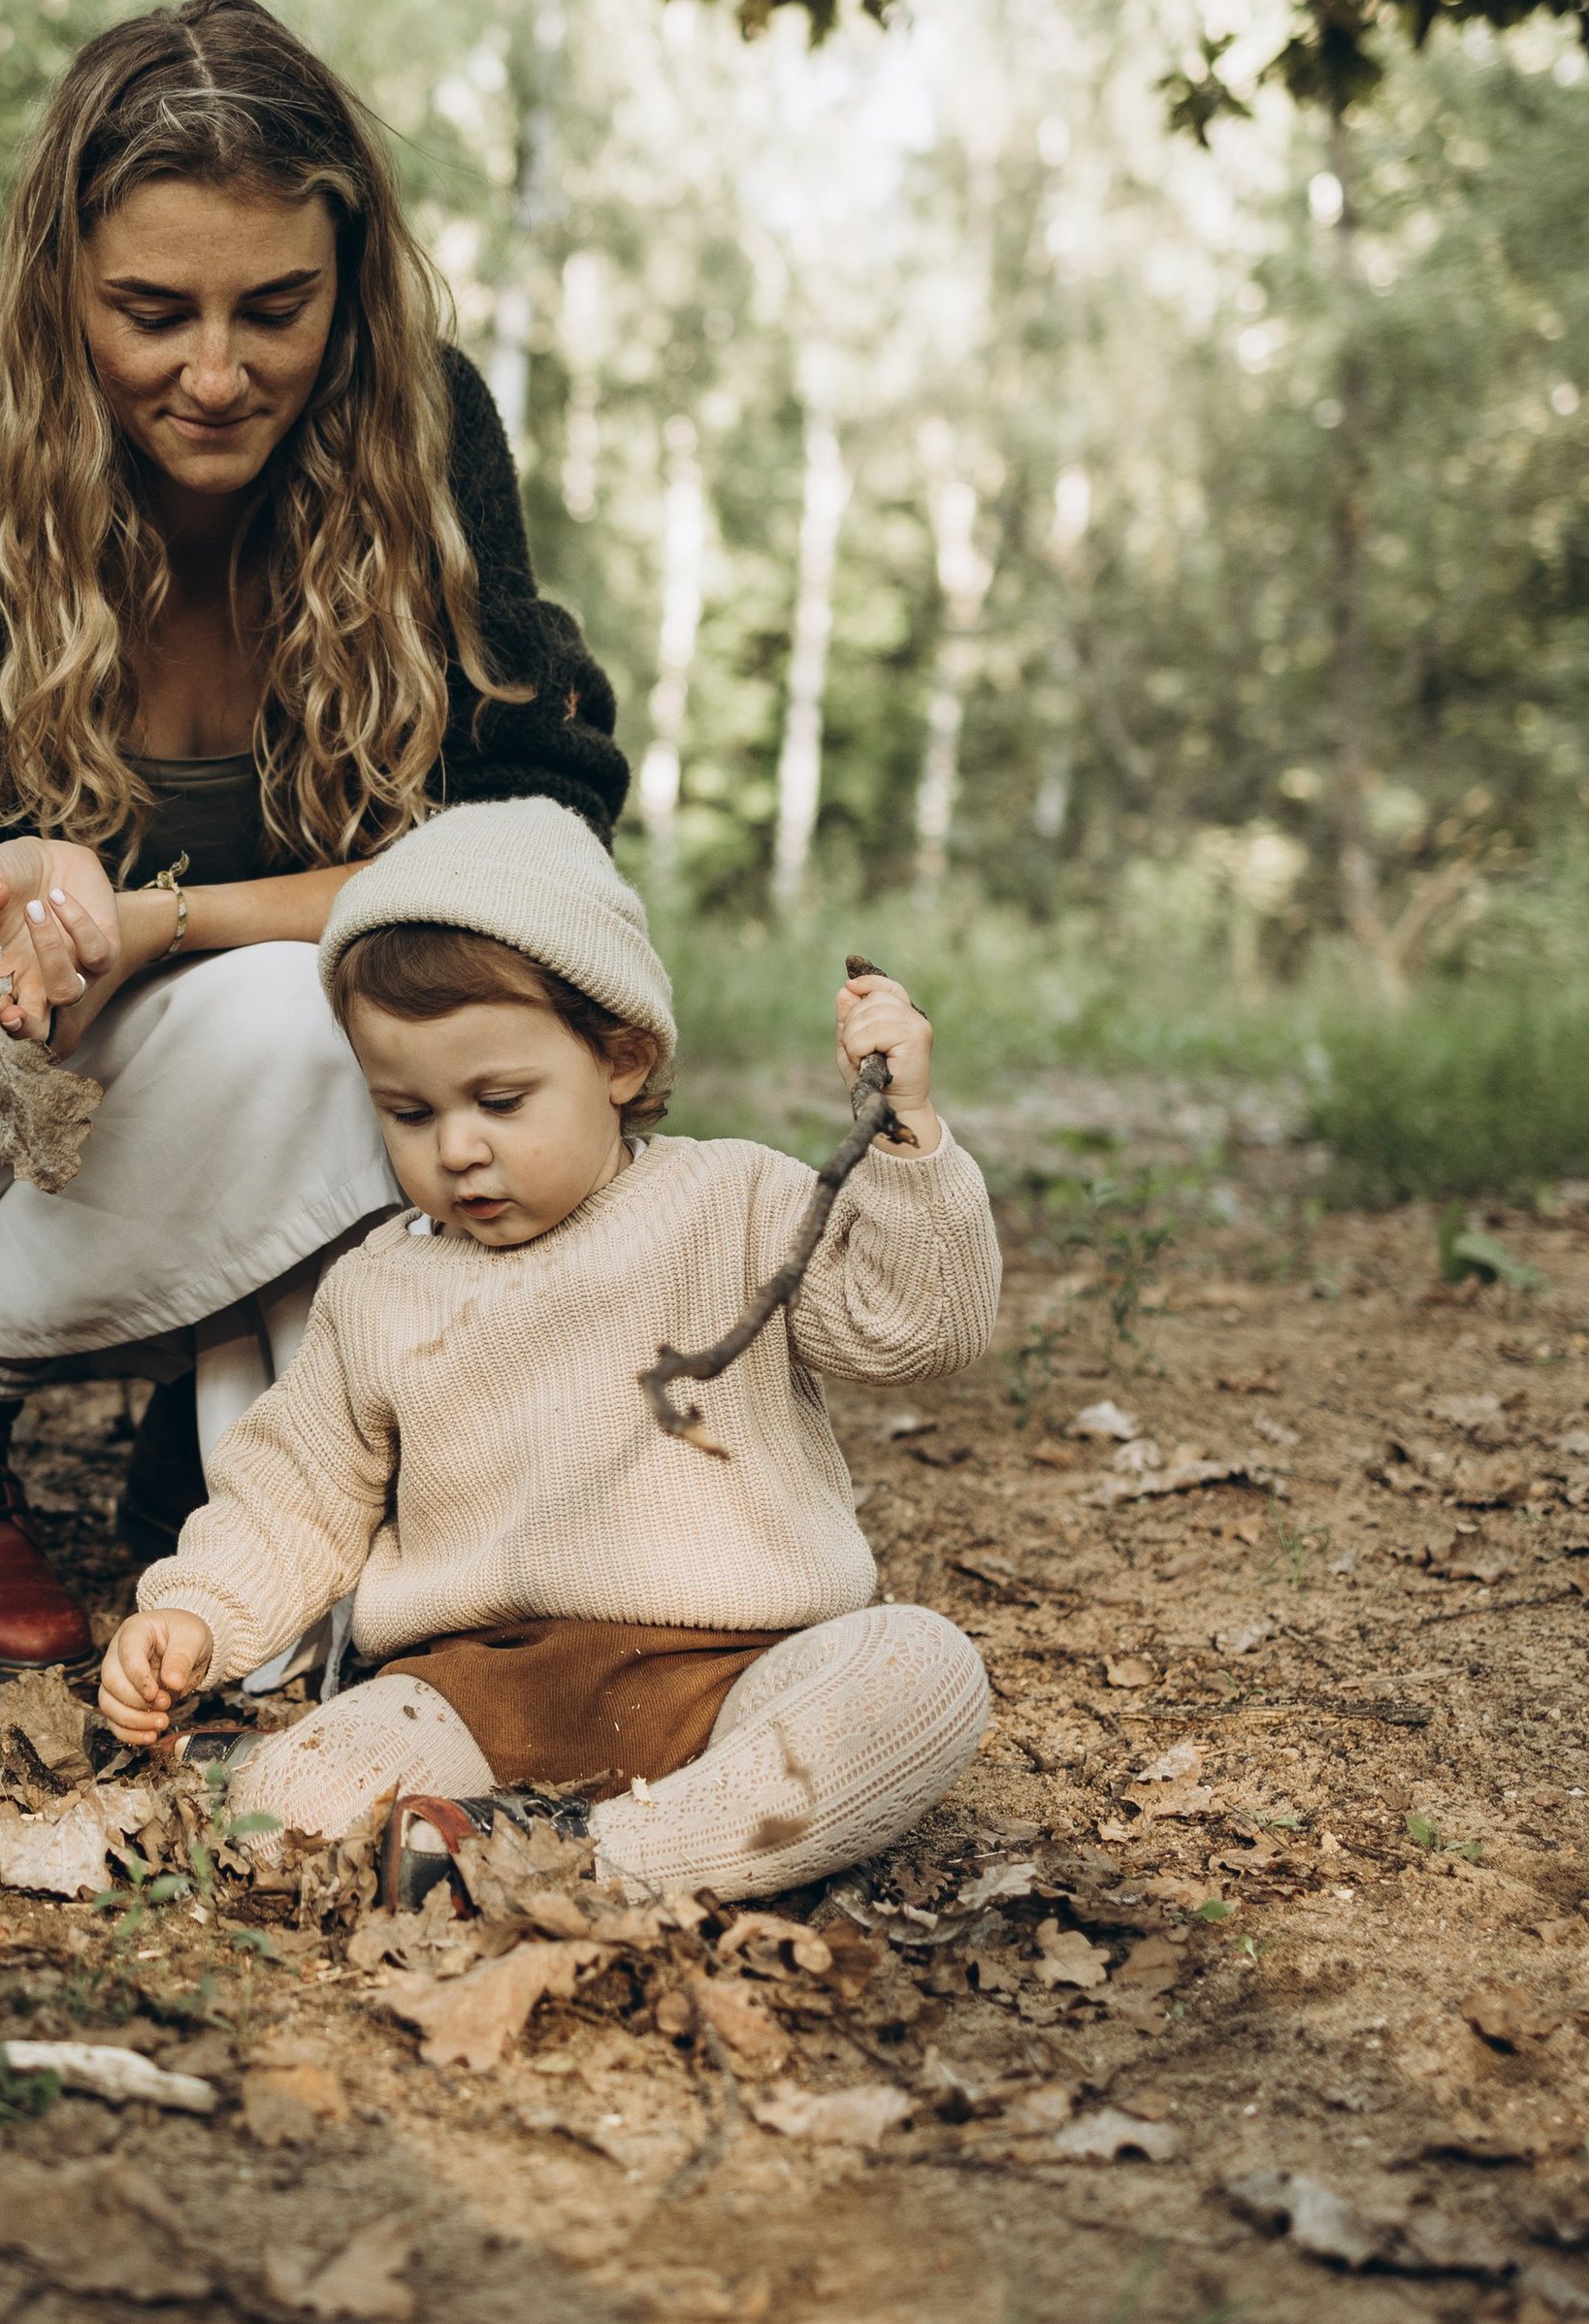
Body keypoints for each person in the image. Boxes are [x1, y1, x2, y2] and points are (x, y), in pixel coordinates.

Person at [0, 0, 627, 1684]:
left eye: (277, 310)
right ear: (61, 287)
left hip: (241, 1095)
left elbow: (526, 836)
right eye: (151, 311)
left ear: (351, 281)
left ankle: (253, 1468)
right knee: (299, 1009)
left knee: (396, 990)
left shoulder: (421, 436)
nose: (216, 371)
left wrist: (163, 920)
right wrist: (7, 900)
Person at [98, 800, 1000, 1904]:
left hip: (735, 1677)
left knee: (918, 1672)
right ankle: (470, 1837)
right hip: (479, 1688)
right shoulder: (381, 1288)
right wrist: (196, 1612)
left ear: (619, 1057)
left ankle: (600, 1863)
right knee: (291, 1803)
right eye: (408, 1112)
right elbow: (296, 1494)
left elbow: (918, 1331)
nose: (460, 1149)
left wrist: (905, 1139)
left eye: (500, 1099)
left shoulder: (733, 1203)